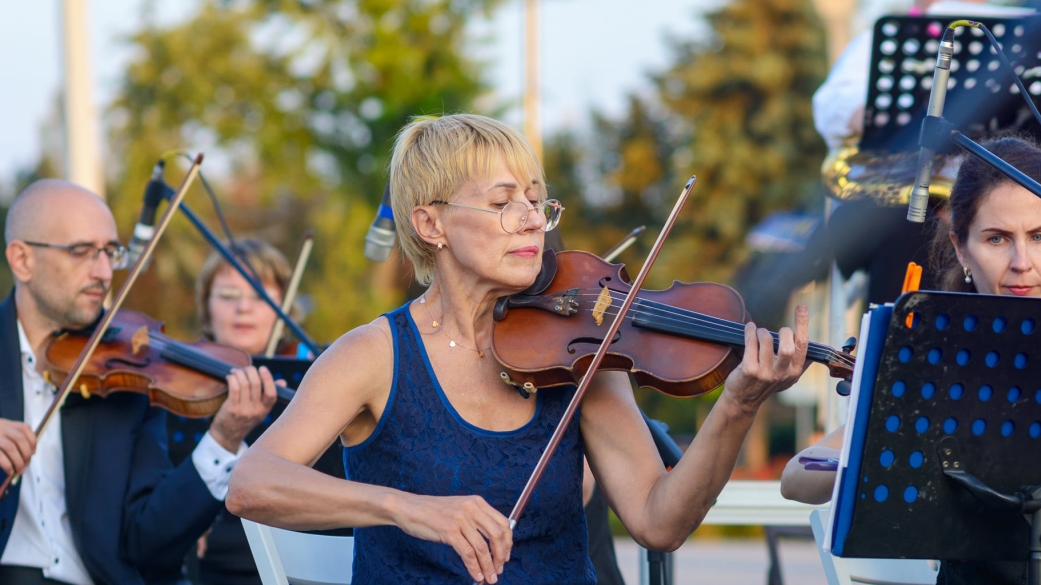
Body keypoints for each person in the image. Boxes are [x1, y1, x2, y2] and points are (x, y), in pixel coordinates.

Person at [226, 113, 812, 584]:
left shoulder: (583, 355)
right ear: (431, 225)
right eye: (504, 201)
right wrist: (404, 507)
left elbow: (660, 522)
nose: (533, 219)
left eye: (537, 200)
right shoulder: (374, 355)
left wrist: (736, 407)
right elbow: (252, 483)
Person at [780, 135, 1041, 584]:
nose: (1022, 262)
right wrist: (890, 446)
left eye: (1040, 236)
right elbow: (795, 477)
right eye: (997, 239)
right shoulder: (938, 360)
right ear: (961, 247)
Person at [0, 180, 280, 585]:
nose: (103, 273)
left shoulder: (124, 374)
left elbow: (150, 545)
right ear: (22, 260)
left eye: (110, 252)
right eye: (81, 252)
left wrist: (222, 439)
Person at [177, 239, 291, 585]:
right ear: (206, 307)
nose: (243, 308)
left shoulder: (313, 375)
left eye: (259, 296)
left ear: (283, 308)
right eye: (227, 296)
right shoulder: (176, 382)